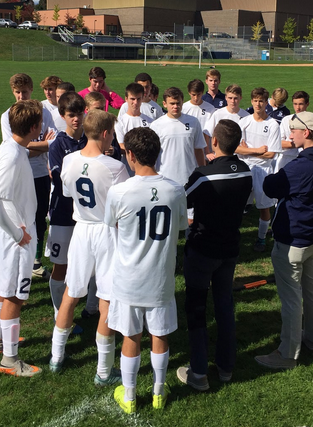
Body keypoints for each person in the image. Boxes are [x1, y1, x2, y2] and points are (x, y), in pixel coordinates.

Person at [106, 127, 188, 413]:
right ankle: (158, 392)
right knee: (160, 333)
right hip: (161, 276)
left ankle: (128, 396)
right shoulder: (176, 189)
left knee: (131, 336)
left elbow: (112, 226)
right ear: (159, 153)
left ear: (129, 154)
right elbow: (180, 227)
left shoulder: (118, 191)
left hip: (128, 277)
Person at [49, 110, 129, 384]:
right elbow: (123, 206)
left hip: (81, 230)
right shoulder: (115, 167)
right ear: (106, 134)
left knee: (71, 292)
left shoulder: (69, 160)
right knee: (106, 298)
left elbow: (69, 193)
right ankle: (104, 371)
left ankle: (56, 357)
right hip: (106, 232)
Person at [255, 112, 313, 370]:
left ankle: (287, 354)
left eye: (294, 130)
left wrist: (266, 176)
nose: (290, 135)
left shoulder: (301, 166)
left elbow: (271, 187)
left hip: (294, 237)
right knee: (312, 288)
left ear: (307, 133)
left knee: (291, 297)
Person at [177, 120, 252, 391]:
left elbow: (182, 201)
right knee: (224, 306)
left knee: (196, 309)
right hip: (229, 248)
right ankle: (226, 367)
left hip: (203, 249)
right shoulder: (246, 172)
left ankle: (198, 372)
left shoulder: (204, 175)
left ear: (215, 143)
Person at [0, 99, 43, 377]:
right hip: (15, 234)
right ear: (35, 127)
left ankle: (1, 341)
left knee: (2, 289)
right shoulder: (12, 155)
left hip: (7, 229)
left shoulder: (12, 148)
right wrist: (18, 233)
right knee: (13, 297)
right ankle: (10, 360)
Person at [1, 73, 56, 280]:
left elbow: (55, 139)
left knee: (40, 220)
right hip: (19, 177)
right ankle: (17, 262)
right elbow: (16, 148)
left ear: (32, 90)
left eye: (25, 91)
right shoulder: (7, 115)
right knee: (20, 221)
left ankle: (35, 262)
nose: (21, 96)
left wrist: (32, 146)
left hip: (41, 174)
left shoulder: (43, 112)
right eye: (17, 92)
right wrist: (43, 145)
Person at [47, 93, 87, 319]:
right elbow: (58, 177)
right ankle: (58, 314)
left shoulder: (91, 141)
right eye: (71, 115)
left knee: (85, 267)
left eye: (79, 114)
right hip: (62, 213)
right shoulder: (58, 145)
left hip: (86, 215)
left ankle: (88, 309)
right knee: (61, 266)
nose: (76, 119)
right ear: (62, 116)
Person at [236, 88, 282, 252]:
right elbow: (236, 148)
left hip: (263, 171)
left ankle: (261, 239)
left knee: (263, 207)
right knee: (236, 205)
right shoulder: (244, 122)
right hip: (245, 168)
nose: (258, 104)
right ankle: (233, 236)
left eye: (261, 101)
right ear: (251, 101)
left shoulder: (273, 125)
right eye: (255, 100)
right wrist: (257, 150)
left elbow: (271, 154)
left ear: (266, 102)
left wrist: (248, 150)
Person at [150, 87, 206, 187]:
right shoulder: (156, 125)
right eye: (172, 103)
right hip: (165, 178)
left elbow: (198, 149)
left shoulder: (193, 122)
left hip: (189, 177)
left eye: (178, 103)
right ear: (164, 104)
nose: (175, 106)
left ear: (182, 102)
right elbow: (152, 154)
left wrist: (203, 172)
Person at [115, 83, 153, 175]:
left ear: (142, 98)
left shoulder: (150, 121)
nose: (135, 103)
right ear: (126, 99)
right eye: (132, 99)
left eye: (138, 99)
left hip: (146, 169)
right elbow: (121, 146)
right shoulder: (119, 122)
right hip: (127, 169)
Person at [204, 83, 249, 161]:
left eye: (235, 98)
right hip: (220, 157)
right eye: (230, 98)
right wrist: (208, 152)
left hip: (240, 158)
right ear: (226, 98)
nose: (233, 101)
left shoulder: (246, 116)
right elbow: (207, 133)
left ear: (240, 98)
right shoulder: (218, 114)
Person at [275, 91, 310, 171]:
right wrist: (301, 143)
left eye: (300, 104)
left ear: (307, 104)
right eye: (295, 104)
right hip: (285, 159)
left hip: (303, 159)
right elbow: (278, 142)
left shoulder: (311, 121)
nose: (297, 107)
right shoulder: (286, 120)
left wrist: (291, 144)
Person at [182, 79, 215, 158]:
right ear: (189, 93)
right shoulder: (183, 108)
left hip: (205, 151)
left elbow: (209, 131)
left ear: (203, 92)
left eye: (198, 94)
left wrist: (207, 151)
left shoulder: (210, 109)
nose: (196, 98)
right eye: (193, 95)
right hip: (188, 150)